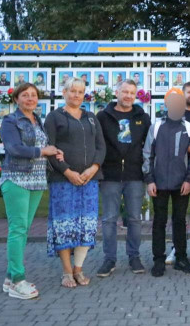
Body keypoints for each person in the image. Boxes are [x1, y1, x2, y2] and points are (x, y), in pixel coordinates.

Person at [0, 83, 62, 299]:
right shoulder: (10, 121)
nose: (30, 98)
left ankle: (10, 278)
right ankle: (18, 280)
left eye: (33, 95)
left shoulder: (38, 120)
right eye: (25, 95)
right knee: (18, 229)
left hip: (36, 181)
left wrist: (54, 152)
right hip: (16, 179)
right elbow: (14, 148)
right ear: (16, 99)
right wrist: (43, 151)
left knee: (23, 229)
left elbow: (44, 147)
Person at [45, 77, 106, 288]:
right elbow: (50, 148)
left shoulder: (91, 118)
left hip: (89, 180)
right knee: (64, 224)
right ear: (64, 92)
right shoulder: (54, 117)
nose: (76, 95)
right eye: (72, 91)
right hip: (63, 180)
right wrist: (67, 171)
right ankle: (66, 271)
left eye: (80, 92)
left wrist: (94, 167)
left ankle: (78, 269)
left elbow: (101, 146)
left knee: (86, 225)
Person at [96, 80, 151, 278]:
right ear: (117, 92)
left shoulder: (142, 117)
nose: (128, 96)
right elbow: (98, 144)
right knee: (109, 219)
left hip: (134, 175)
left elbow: (148, 145)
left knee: (134, 218)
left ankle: (134, 256)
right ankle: (109, 259)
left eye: (132, 93)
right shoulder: (103, 116)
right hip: (109, 174)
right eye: (125, 92)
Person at [142, 88, 190, 277]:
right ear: (166, 104)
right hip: (158, 183)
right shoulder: (156, 126)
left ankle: (181, 258)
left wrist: (189, 180)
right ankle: (158, 260)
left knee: (180, 221)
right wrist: (149, 180)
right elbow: (148, 154)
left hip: (181, 183)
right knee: (159, 221)